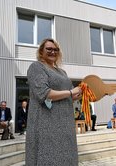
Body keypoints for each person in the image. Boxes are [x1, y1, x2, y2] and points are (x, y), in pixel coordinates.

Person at [26, 38, 82, 166]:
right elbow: (44, 94)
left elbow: (68, 97)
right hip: (46, 124)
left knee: (67, 158)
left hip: (65, 123)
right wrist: (70, 92)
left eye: (56, 49)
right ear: (41, 51)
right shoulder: (36, 67)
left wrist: (84, 94)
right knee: (48, 158)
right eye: (49, 49)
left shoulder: (62, 72)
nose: (53, 52)